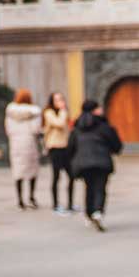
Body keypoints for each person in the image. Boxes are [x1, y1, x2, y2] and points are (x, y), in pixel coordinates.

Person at [67, 99, 122, 230]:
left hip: (83, 162)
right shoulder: (104, 126)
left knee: (89, 187)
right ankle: (97, 211)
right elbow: (116, 145)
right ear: (95, 110)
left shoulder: (77, 127)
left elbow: (70, 147)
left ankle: (89, 213)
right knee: (100, 188)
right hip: (102, 161)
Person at [4, 88, 43, 209]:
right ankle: (31, 197)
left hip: (15, 143)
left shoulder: (10, 112)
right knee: (32, 171)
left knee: (18, 171)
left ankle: (20, 200)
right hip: (30, 142)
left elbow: (8, 129)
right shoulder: (34, 113)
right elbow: (36, 129)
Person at [42, 91, 74, 213]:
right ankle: (55, 204)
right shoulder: (49, 113)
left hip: (65, 147)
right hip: (54, 147)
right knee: (56, 176)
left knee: (71, 175)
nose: (60, 102)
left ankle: (70, 204)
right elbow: (59, 124)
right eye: (57, 100)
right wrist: (63, 111)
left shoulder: (63, 113)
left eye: (61, 99)